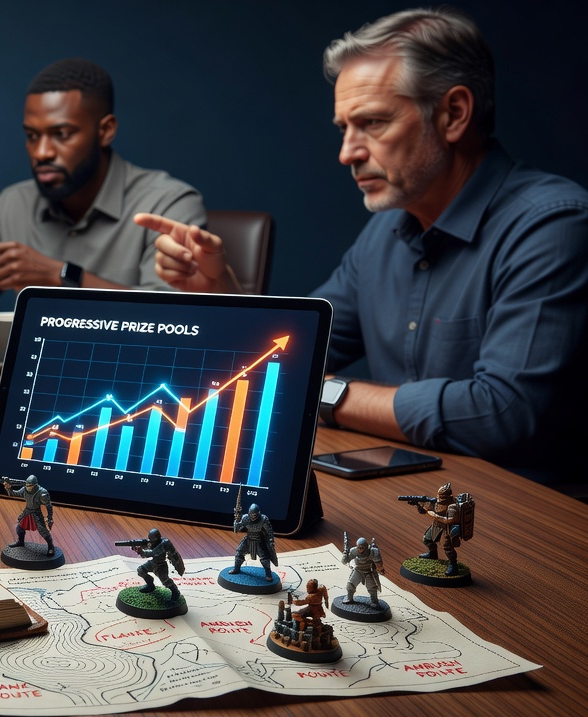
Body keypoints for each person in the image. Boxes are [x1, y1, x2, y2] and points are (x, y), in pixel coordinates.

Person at [135, 8, 588, 482]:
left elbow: (500, 415)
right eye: (343, 128)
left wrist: (328, 394)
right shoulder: (387, 229)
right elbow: (293, 353)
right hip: (416, 490)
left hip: (532, 519)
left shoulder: (552, 224)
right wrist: (223, 291)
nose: (347, 152)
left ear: (454, 114)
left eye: (372, 123)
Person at [0, 57, 206, 328]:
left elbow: (172, 321)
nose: (41, 152)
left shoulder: (168, 204)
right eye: (32, 136)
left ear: (106, 130)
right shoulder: (13, 204)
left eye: (62, 134)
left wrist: (64, 276)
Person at [2, 475, 55, 556]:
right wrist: (8, 488)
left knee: (43, 531)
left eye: (30, 486)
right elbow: (14, 494)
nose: (28, 487)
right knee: (19, 528)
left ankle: (51, 547)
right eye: (27, 485)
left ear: (35, 485)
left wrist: (49, 517)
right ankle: (21, 542)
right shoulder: (24, 489)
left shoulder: (42, 493)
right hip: (27, 511)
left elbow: (48, 506)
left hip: (36, 513)